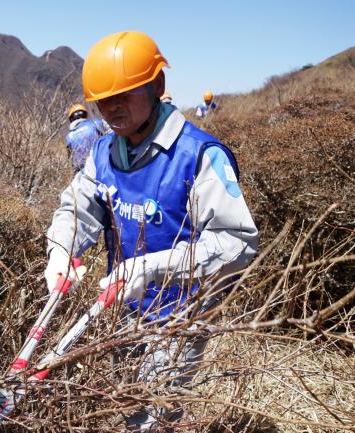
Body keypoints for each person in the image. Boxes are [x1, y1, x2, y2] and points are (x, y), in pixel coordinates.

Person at [44, 31, 258, 431]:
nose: (112, 107)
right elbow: (78, 209)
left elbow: (237, 242)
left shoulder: (198, 155)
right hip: (122, 309)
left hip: (180, 315)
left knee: (154, 417)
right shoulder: (103, 153)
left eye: (124, 94)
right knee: (125, 404)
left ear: (157, 86)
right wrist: (60, 249)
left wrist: (152, 268)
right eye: (103, 99)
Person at [65, 104, 109, 171]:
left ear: (71, 118)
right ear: (85, 114)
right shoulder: (96, 123)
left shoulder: (69, 137)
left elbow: (70, 157)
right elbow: (111, 129)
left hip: (80, 171)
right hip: (100, 163)